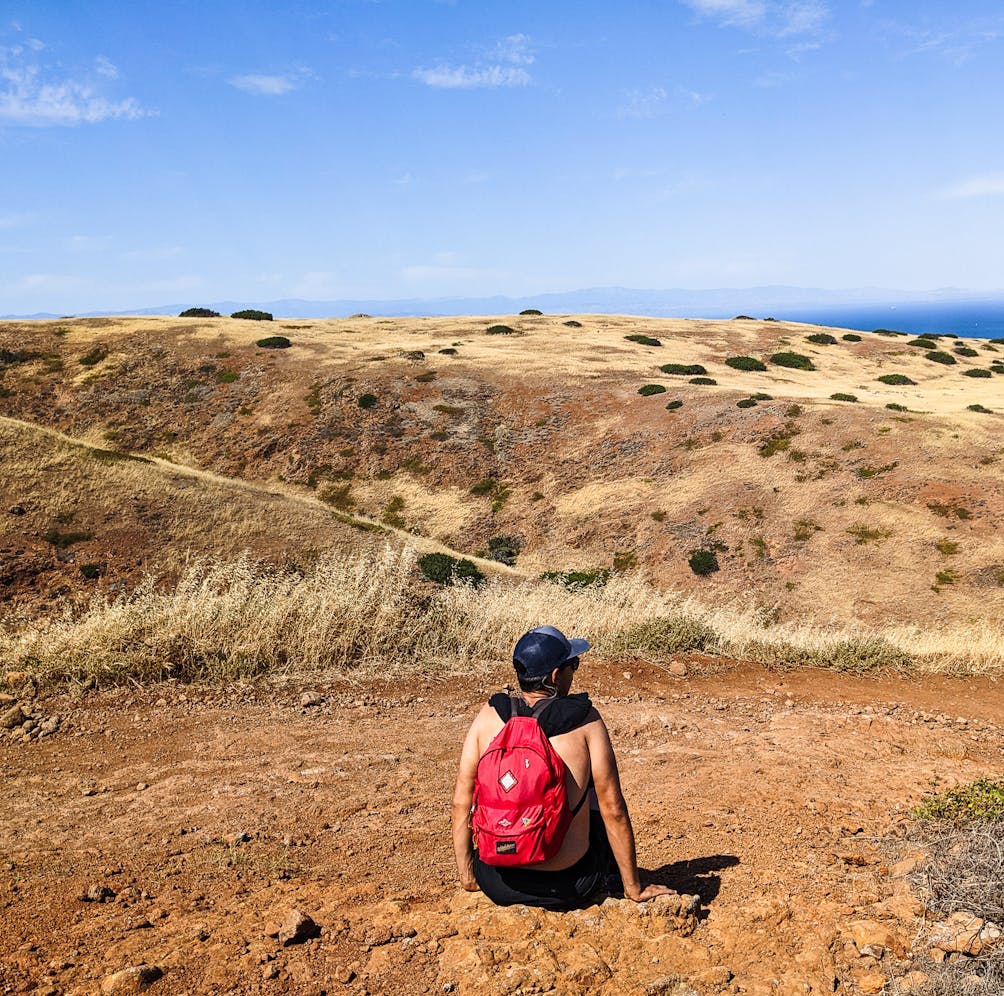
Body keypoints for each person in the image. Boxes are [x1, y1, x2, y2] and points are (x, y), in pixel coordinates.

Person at [451, 625, 672, 910]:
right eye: (573, 665)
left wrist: (470, 876)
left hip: (498, 881)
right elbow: (613, 809)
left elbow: (461, 802)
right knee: (592, 793)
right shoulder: (585, 722)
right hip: (568, 885)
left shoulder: (488, 715)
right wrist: (634, 888)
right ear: (556, 675)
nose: (573, 673)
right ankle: (617, 878)